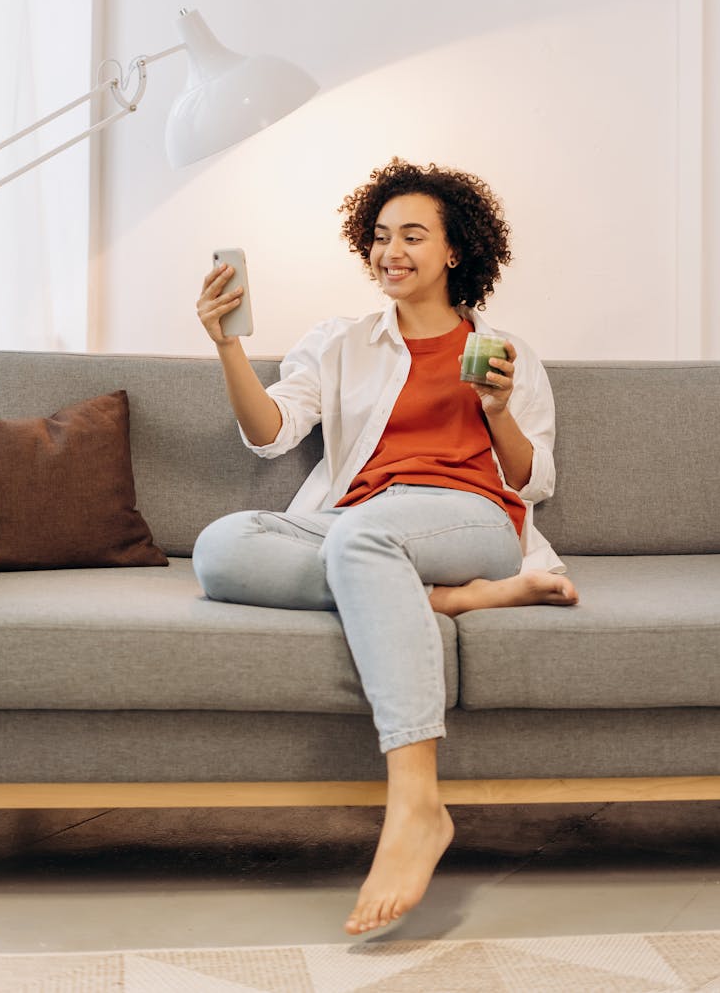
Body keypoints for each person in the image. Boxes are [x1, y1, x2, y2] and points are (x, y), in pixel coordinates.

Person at [193, 157, 578, 936]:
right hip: (359, 526)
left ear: (455, 250)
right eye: (379, 236)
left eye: (411, 235)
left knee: (364, 538)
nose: (390, 251)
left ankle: (415, 802)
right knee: (221, 546)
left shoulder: (504, 350)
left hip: (470, 521)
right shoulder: (340, 342)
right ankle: (440, 600)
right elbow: (271, 434)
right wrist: (227, 346)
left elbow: (531, 481)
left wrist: (496, 408)